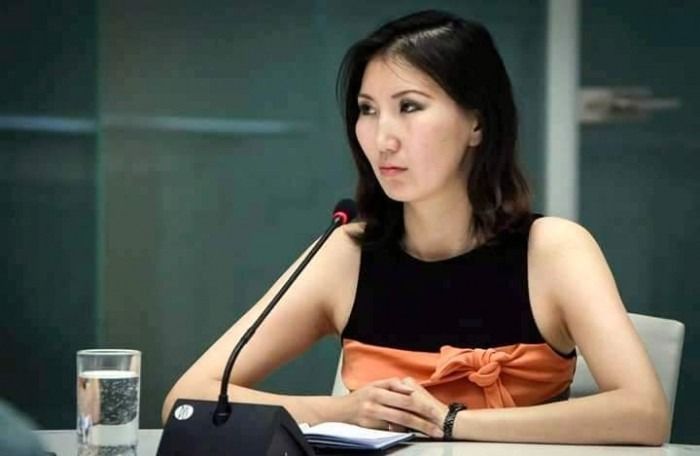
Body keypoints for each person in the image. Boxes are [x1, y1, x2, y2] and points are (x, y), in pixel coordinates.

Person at [163, 10, 669, 445]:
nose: (383, 138)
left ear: (476, 123)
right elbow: (188, 400)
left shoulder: (553, 249)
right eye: (367, 110)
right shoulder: (346, 251)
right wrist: (341, 410)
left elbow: (644, 413)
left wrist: (450, 422)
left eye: (409, 106)